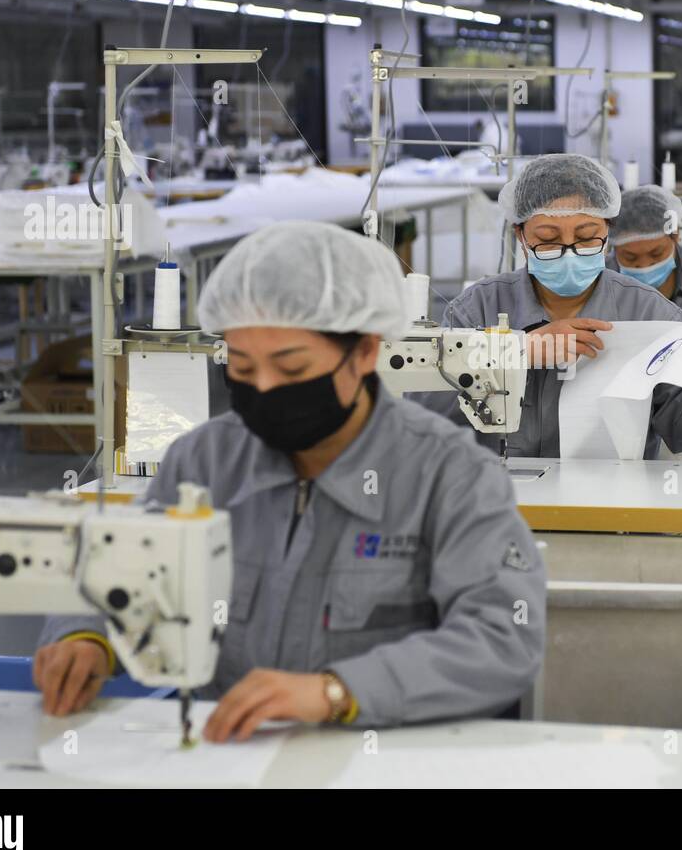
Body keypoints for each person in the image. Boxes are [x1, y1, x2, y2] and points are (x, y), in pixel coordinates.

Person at [33, 221, 545, 739]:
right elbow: (121, 570)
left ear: (366, 352)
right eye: (242, 368)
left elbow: (503, 636)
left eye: (292, 368)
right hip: (235, 752)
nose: (266, 389)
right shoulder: (206, 461)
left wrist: (337, 691)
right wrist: (85, 636)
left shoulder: (449, 474)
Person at [425, 153, 682, 459]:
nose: (569, 253)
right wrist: (512, 353)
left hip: (613, 504)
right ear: (520, 235)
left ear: (607, 230)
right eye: (548, 240)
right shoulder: (477, 308)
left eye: (587, 237)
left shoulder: (650, 314)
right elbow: (424, 415)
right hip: (498, 498)